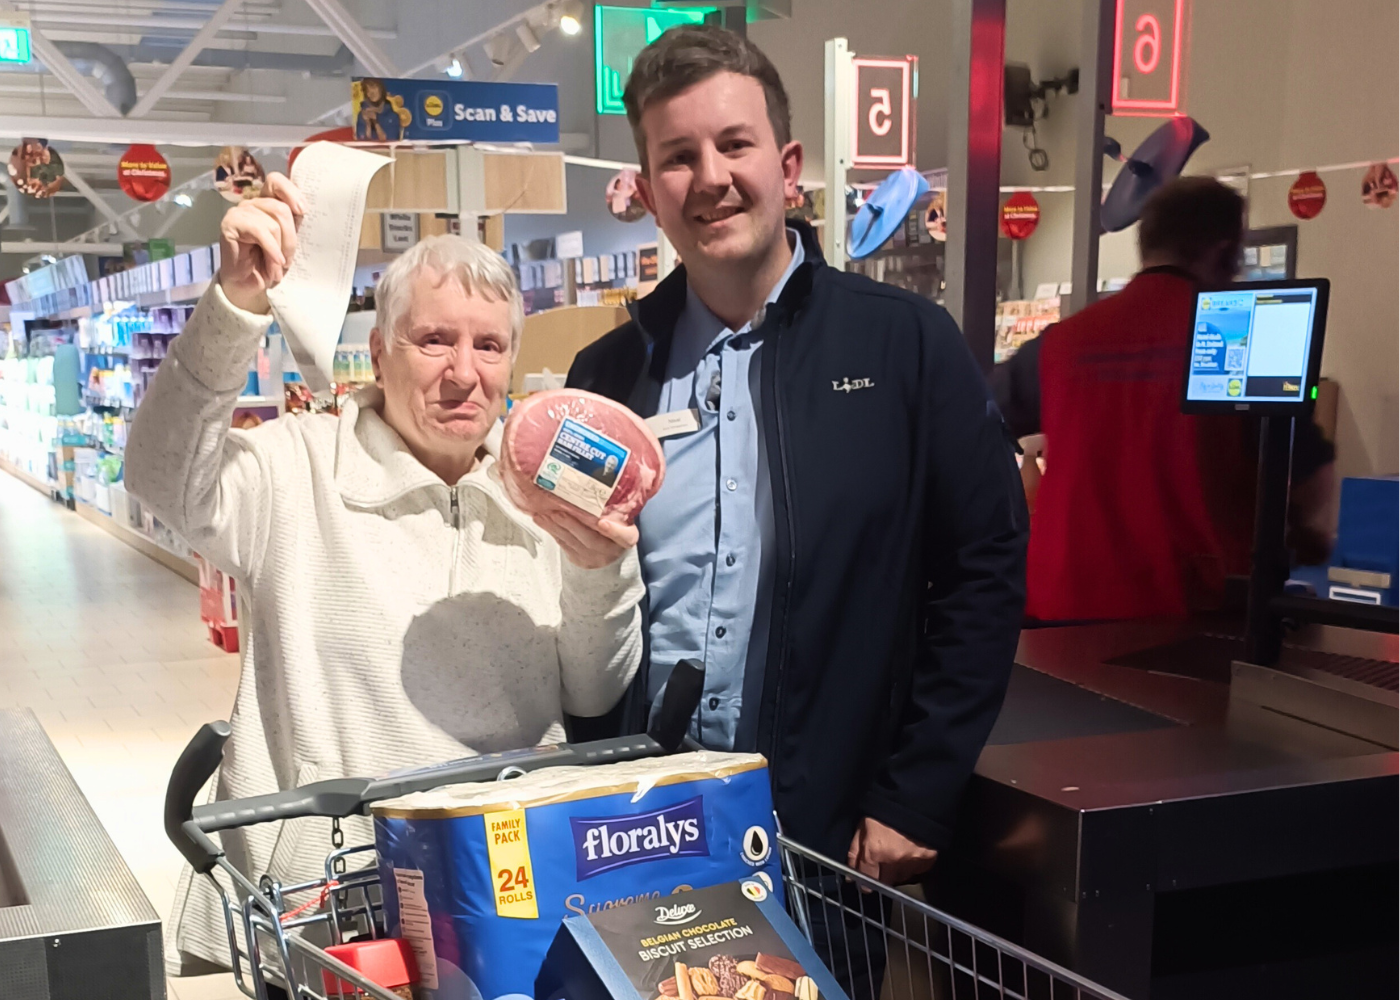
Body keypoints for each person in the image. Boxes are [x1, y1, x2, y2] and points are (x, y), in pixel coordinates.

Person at [126, 176, 645, 974]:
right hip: (325, 911)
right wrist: (234, 306)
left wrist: (601, 570)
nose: (463, 373)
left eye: (489, 345)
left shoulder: (544, 495)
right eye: (434, 339)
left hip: (505, 893)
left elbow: (592, 693)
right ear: (378, 352)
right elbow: (162, 478)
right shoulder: (296, 467)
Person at [568, 22, 1026, 903]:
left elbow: (984, 570)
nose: (710, 177)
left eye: (734, 144)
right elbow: (581, 601)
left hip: (821, 838)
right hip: (631, 827)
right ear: (651, 193)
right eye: (677, 156)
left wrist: (918, 794)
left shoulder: (903, 346)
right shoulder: (608, 378)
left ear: (787, 166)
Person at [990, 176, 1336, 621]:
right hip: (1189, 611)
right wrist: (1301, 527)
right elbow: (1312, 475)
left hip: (1060, 603)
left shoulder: (1060, 343)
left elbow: (976, 423)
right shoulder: (1243, 335)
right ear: (1224, 249)